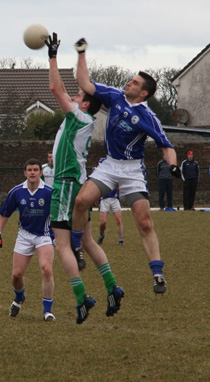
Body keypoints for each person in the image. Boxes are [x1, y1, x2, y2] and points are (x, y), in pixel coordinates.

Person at [71, 37, 181, 295]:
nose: (128, 83)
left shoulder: (147, 117)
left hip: (132, 170)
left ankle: (157, 274)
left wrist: (173, 166)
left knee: (144, 222)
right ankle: (76, 247)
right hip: (109, 165)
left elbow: (166, 146)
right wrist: (82, 52)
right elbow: (84, 83)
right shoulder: (114, 97)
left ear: (143, 93)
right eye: (130, 79)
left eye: (134, 82)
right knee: (80, 202)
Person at [46, 33, 123, 324]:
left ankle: (82, 298)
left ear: (86, 105)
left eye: (78, 98)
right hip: (77, 184)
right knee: (88, 242)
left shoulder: (78, 117)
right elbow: (66, 89)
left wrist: (52, 56)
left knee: (63, 245)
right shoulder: (81, 119)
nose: (72, 98)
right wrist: (79, 54)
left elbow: (56, 88)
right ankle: (112, 286)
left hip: (65, 185)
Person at [0, 158, 56, 322]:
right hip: (24, 236)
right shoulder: (16, 191)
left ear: (40, 172)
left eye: (35, 169)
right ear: (25, 172)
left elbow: (60, 215)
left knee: (47, 269)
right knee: (16, 275)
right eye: (30, 170)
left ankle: (47, 311)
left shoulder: (49, 192)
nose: (33, 172)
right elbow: (5, 213)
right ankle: (19, 298)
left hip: (44, 235)